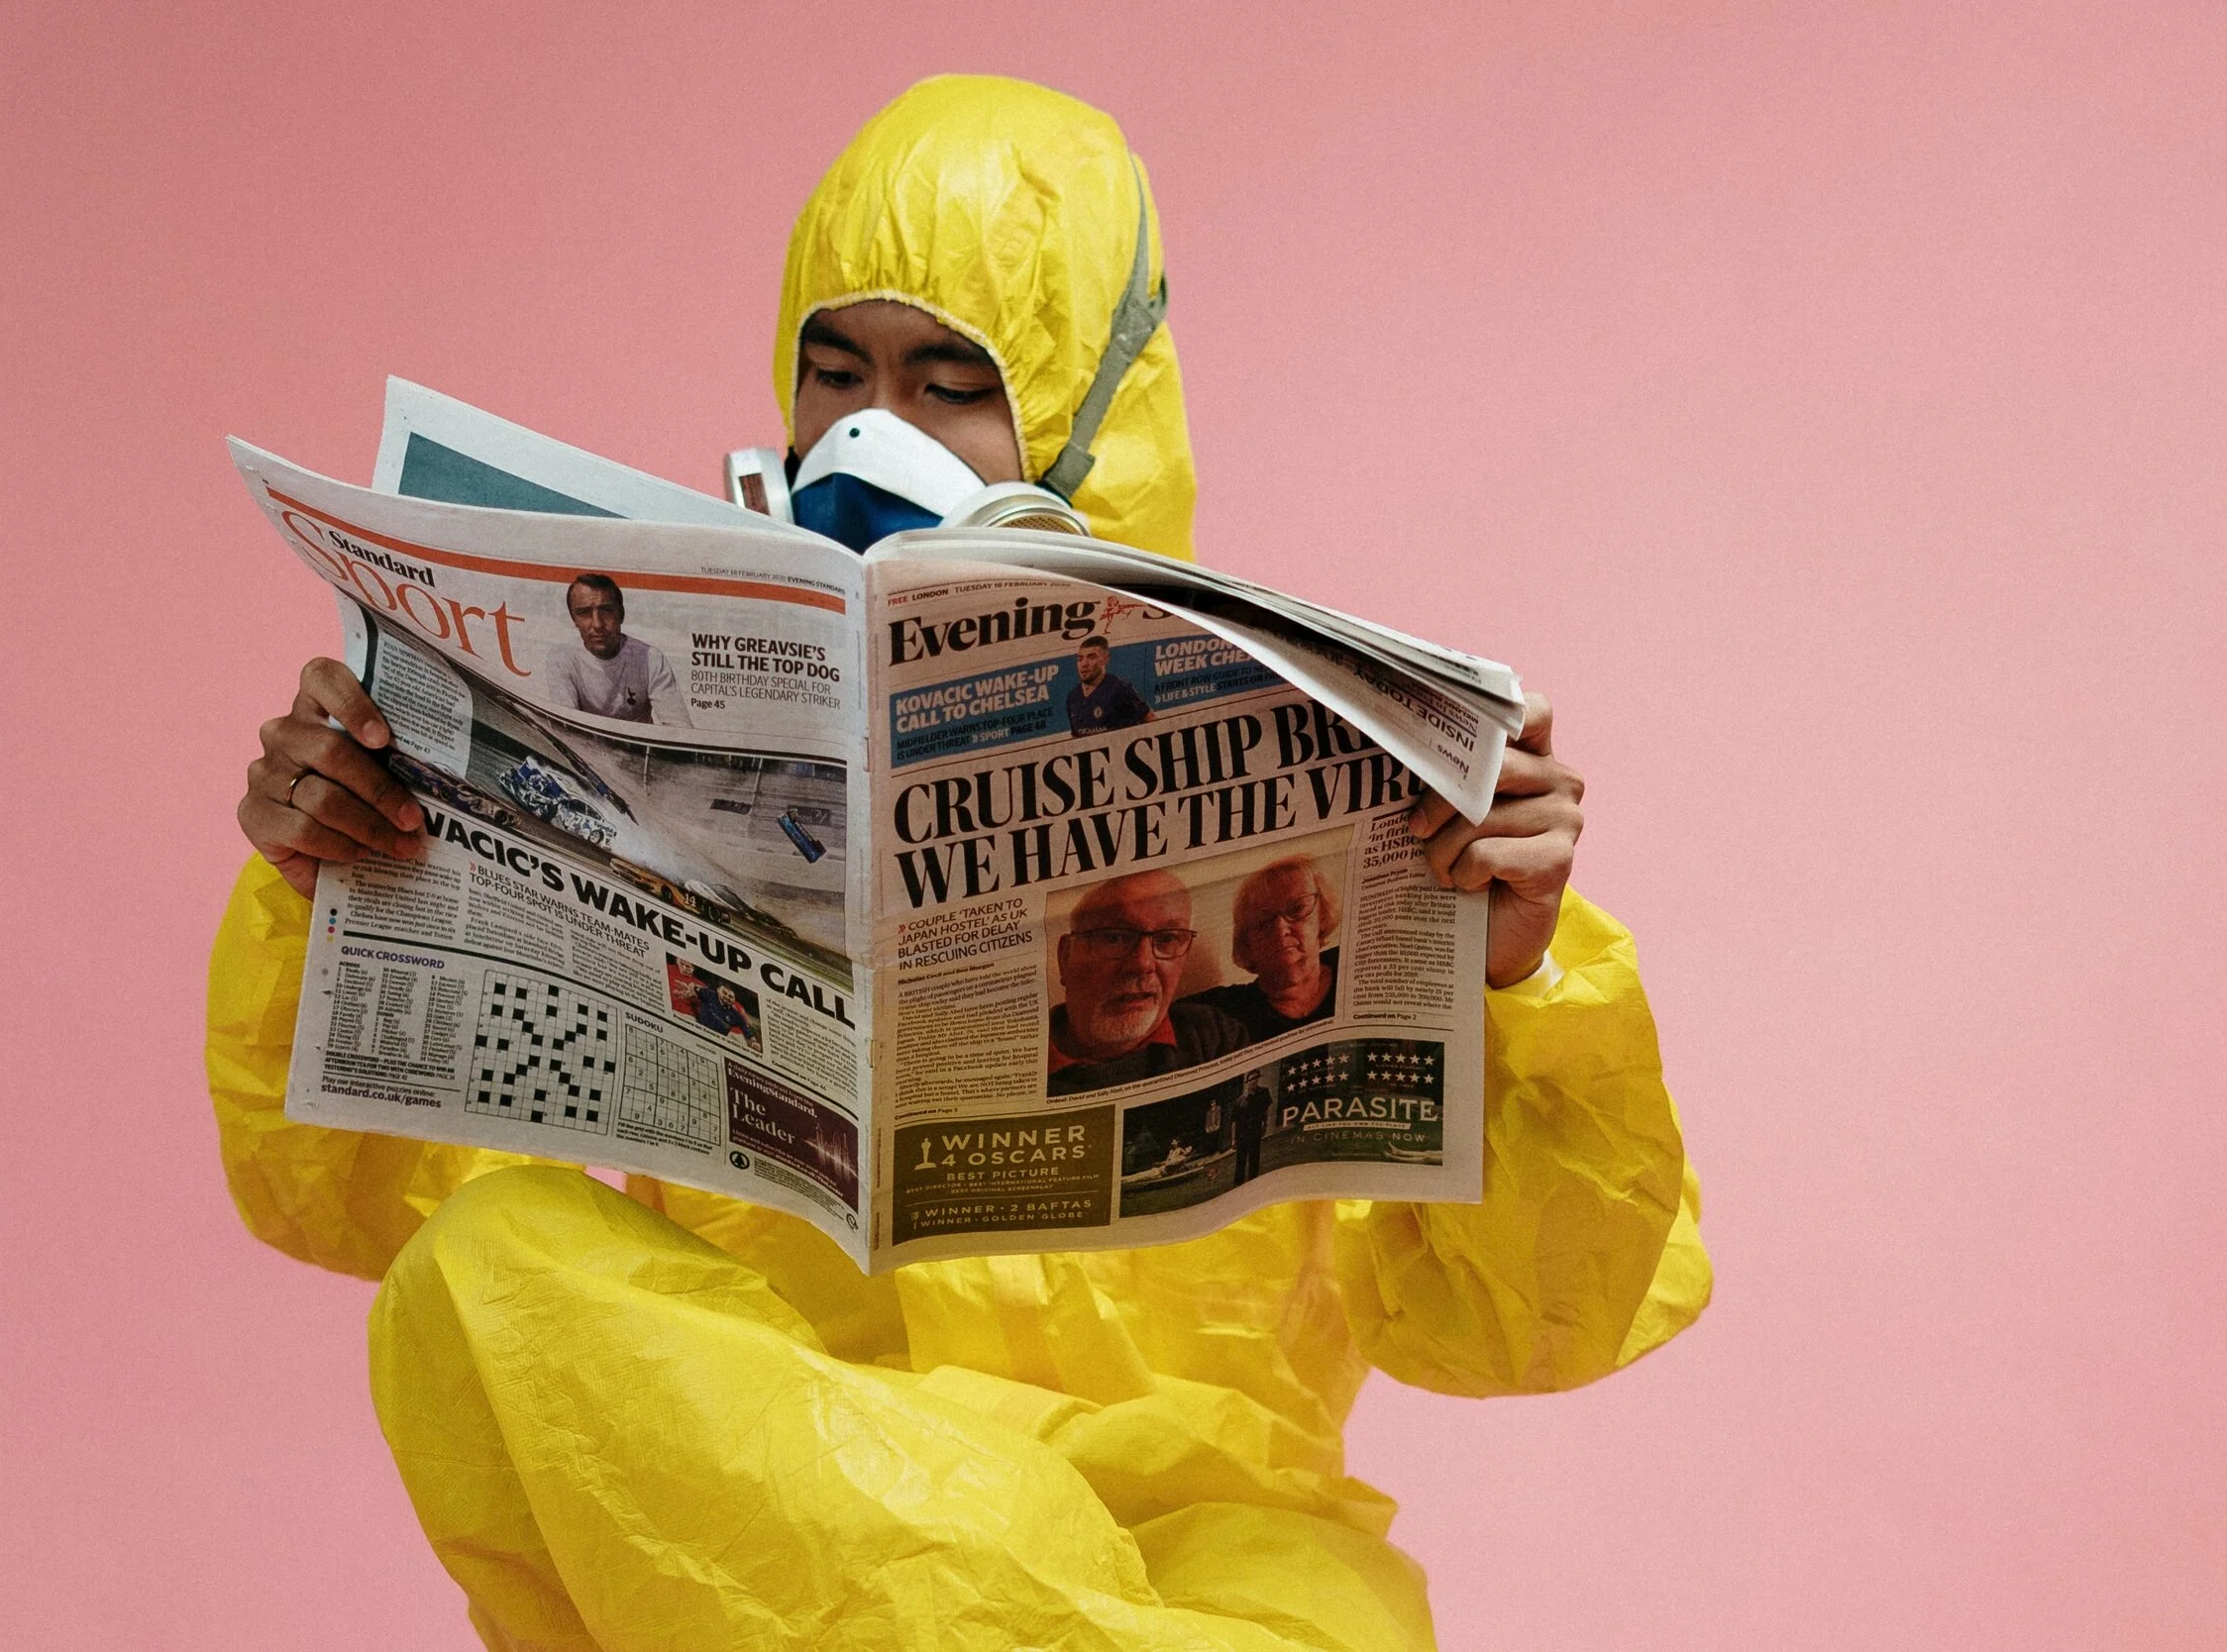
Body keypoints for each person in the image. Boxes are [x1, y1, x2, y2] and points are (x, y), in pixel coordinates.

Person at [214, 74, 1710, 1652]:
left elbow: (1529, 1325)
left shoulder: (1334, 766)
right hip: (784, 1513)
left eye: (950, 383)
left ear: (1098, 410)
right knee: (485, 1264)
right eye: (835, 372)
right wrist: (339, 879)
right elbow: (357, 1212)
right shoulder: (647, 707)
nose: (876, 432)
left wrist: (1519, 979)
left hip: (1207, 1563)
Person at [1048, 869, 1248, 1095]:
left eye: (1167, 938)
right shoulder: (1029, 1056)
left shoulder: (1213, 1035)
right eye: (1114, 937)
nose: (1143, 964)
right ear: (1065, 957)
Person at [1189, 854, 1343, 1040]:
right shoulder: (1226, 1012)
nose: (1280, 930)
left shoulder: (1353, 965)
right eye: (1263, 922)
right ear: (1247, 945)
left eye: (1296, 909)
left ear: (1323, 915)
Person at [544, 572, 691, 726]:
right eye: (585, 613)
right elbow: (566, 727)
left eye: (606, 610)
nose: (598, 624)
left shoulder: (650, 658)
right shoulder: (562, 658)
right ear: (574, 620)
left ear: (621, 615)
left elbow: (680, 729)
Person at [1063, 633, 1153, 735]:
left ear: (1105, 659)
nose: (1084, 664)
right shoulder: (1072, 697)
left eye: (1091, 657)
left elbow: (1151, 721)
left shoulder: (1120, 688)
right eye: (1080, 659)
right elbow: (1076, 738)